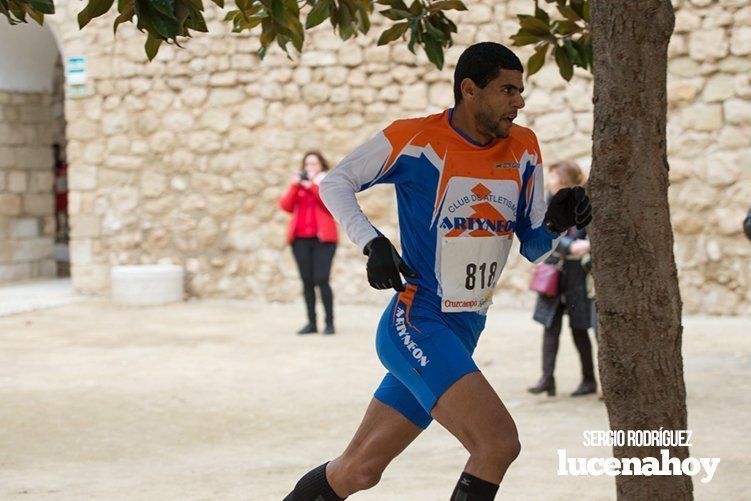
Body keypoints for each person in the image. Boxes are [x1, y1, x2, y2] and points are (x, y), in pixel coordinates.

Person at [283, 42, 591, 501]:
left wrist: (555, 222)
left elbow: (534, 248)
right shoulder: (416, 139)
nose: (519, 101)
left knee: (358, 471)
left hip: (466, 329)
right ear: (470, 89)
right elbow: (336, 181)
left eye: (521, 90)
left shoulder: (524, 147)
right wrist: (372, 242)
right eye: (508, 90)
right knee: (497, 444)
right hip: (417, 322)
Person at [527, 161, 596, 398]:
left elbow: (588, 229)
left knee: (580, 329)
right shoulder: (545, 200)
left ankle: (589, 380)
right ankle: (547, 379)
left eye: (554, 176)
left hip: (577, 274)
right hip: (554, 270)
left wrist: (584, 244)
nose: (550, 180)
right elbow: (546, 232)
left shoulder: (583, 198)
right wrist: (570, 245)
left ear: (565, 179)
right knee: (550, 326)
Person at [279, 151, 338, 335]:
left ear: (322, 166)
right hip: (300, 240)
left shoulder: (326, 183)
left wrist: (312, 185)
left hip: (324, 240)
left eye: (314, 164)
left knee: (322, 279)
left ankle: (329, 323)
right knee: (307, 281)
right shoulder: (300, 186)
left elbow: (329, 203)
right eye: (307, 165)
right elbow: (286, 206)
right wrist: (295, 186)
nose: (310, 168)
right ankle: (311, 323)